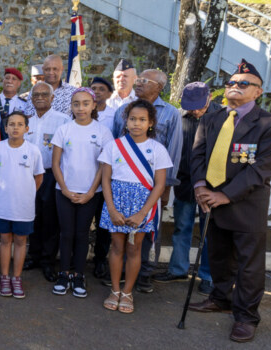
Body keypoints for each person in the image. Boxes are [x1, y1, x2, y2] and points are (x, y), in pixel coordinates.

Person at [188, 59, 271, 343]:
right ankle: (221, 298)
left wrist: (224, 195)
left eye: (243, 84)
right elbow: (197, 155)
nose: (234, 87)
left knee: (248, 265)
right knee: (218, 257)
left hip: (246, 207)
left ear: (258, 92)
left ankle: (246, 316)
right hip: (211, 202)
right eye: (230, 83)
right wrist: (199, 187)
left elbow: (261, 169)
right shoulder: (211, 118)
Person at [112, 68, 182, 293]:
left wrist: (166, 189)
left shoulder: (171, 113)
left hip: (153, 185)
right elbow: (115, 144)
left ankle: (144, 274)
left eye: (144, 80)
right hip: (123, 183)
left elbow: (174, 150)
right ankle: (121, 274)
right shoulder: (123, 110)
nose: (139, 83)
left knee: (149, 231)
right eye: (138, 79)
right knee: (121, 229)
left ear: (159, 87)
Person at [99, 100, 171, 314]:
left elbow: (159, 185)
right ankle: (114, 289)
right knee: (116, 246)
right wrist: (111, 208)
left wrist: (142, 213)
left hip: (142, 205)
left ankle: (128, 292)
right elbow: (106, 180)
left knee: (134, 248)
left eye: (142, 120)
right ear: (126, 120)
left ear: (150, 123)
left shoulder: (157, 149)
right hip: (116, 202)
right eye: (132, 119)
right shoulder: (114, 146)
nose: (136, 124)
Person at [151, 82, 221, 295]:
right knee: (182, 226)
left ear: (208, 98)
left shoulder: (223, 116)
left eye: (198, 106)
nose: (195, 111)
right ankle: (178, 269)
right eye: (190, 106)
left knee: (209, 232)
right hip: (184, 181)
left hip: (211, 184)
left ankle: (208, 276)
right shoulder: (179, 117)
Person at [50, 87, 113, 297]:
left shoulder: (103, 131)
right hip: (64, 192)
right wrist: (66, 190)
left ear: (93, 105)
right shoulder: (64, 129)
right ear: (72, 106)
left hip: (90, 193)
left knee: (82, 234)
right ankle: (63, 273)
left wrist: (90, 192)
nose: (81, 108)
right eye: (76, 103)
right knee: (66, 233)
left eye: (86, 103)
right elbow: (56, 163)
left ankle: (78, 275)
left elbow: (104, 166)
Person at [0, 111, 44, 299]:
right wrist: (5, 189)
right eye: (11, 124)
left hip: (24, 207)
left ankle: (16, 278)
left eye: (19, 124)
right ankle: (4, 277)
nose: (15, 127)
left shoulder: (33, 150)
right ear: (5, 128)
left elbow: (39, 177)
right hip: (3, 205)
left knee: (20, 241)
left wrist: (25, 193)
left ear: (27, 128)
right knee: (4, 240)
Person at [22, 82, 70, 282]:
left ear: (52, 98)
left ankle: (48, 261)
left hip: (51, 175)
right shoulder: (26, 122)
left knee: (50, 219)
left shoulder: (63, 121)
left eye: (44, 94)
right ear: (31, 99)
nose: (40, 97)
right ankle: (34, 256)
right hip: (27, 176)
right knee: (32, 217)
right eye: (36, 95)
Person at [89, 77, 117, 279]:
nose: (97, 92)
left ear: (109, 93)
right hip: (84, 174)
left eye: (102, 89)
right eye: (93, 89)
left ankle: (100, 260)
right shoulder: (80, 114)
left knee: (102, 223)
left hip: (107, 174)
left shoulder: (115, 116)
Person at [0, 67, 27, 140]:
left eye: (14, 79)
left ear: (19, 83)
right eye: (7, 78)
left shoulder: (24, 104)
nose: (9, 81)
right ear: (3, 81)